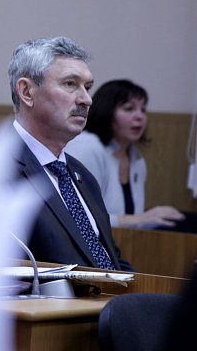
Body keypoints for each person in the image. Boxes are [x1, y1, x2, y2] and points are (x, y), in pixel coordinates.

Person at [8, 37, 132, 270]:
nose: (87, 99)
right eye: (70, 84)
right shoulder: (0, 173)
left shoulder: (81, 174)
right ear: (27, 92)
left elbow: (108, 260)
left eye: (88, 87)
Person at [65, 79, 186, 229]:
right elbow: (76, 218)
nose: (140, 116)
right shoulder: (86, 147)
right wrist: (142, 219)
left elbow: (132, 223)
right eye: (129, 108)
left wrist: (156, 219)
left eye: (143, 110)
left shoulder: (136, 157)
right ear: (106, 112)